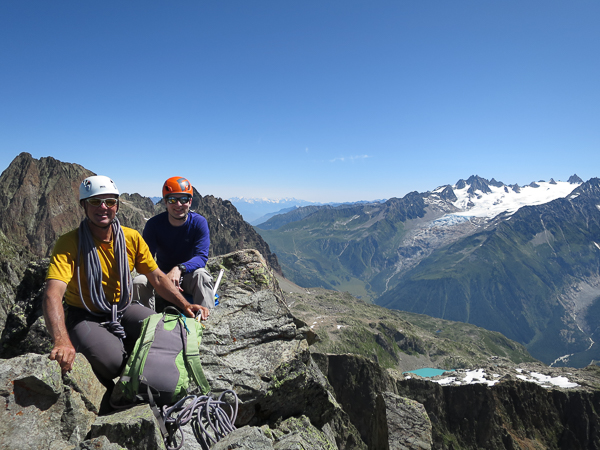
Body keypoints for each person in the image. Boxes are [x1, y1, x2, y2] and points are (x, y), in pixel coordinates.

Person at [42, 175, 209, 383]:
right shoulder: (69, 243)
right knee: (113, 364)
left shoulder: (130, 238)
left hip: (122, 307)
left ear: (117, 205)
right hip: (86, 314)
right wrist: (61, 340)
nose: (103, 207)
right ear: (83, 205)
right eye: (95, 201)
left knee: (172, 333)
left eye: (110, 201)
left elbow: (157, 277)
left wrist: (185, 305)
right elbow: (53, 293)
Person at [133, 176, 215, 309]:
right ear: (165, 202)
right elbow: (146, 258)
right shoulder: (154, 225)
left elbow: (201, 257)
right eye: (172, 199)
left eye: (183, 199)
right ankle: (145, 323)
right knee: (139, 281)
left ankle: (205, 322)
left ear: (190, 201)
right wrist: (162, 277)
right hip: (160, 277)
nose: (178, 205)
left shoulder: (199, 223)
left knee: (202, 276)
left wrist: (179, 268)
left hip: (188, 274)